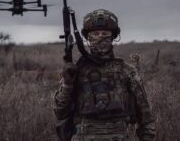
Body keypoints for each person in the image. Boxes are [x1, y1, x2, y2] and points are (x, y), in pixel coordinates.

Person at [53, 9, 155, 141]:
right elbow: (60, 112)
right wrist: (67, 84)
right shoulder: (76, 71)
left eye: (105, 33)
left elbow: (146, 118)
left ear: (112, 36)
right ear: (88, 37)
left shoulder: (126, 71)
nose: (100, 37)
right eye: (95, 33)